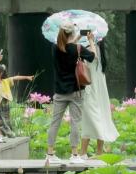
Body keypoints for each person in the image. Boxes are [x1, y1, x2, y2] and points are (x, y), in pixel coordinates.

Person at [46, 21, 95, 164]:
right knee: (75, 122)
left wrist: (77, 37)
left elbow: (67, 45)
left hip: (60, 92)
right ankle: (74, 155)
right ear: (72, 33)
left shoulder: (55, 48)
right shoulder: (77, 49)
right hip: (76, 91)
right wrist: (91, 41)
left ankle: (50, 153)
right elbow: (92, 56)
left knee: (55, 122)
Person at [80, 39, 118, 158]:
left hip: (91, 90)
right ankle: (98, 152)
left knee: (90, 118)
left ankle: (83, 153)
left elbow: (93, 57)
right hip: (99, 90)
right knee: (99, 116)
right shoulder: (99, 50)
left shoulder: (93, 48)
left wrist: (90, 41)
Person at [0, 64, 33, 143]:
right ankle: (0, 136)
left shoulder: (6, 81)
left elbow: (16, 77)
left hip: (5, 105)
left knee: (6, 120)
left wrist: (27, 77)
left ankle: (6, 133)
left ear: (1, 74)